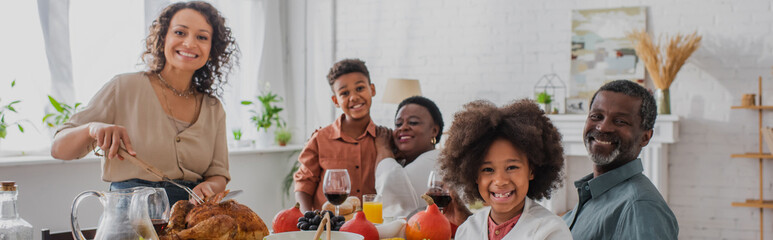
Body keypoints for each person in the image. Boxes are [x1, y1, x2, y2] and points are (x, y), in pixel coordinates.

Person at [50, 1, 238, 205]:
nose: (190, 43)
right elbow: (59, 149)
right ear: (163, 37)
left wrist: (210, 187)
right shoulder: (123, 87)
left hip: (191, 220)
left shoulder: (213, 108)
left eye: (201, 37)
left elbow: (219, 174)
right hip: (128, 219)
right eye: (180, 32)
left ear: (212, 49)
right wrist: (91, 129)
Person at [562, 80, 678, 239]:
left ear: (645, 137)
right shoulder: (594, 194)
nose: (603, 127)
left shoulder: (639, 208)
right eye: (596, 116)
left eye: (620, 121)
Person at [439, 99, 571, 240]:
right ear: (474, 175)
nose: (500, 181)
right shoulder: (467, 229)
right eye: (488, 169)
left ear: (531, 171)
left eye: (512, 167)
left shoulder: (550, 231)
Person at [293, 59, 380, 212]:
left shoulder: (384, 139)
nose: (353, 97)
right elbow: (304, 184)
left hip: (373, 227)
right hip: (329, 228)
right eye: (344, 93)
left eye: (360, 88)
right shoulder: (320, 139)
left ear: (372, 89)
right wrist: (308, 218)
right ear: (335, 100)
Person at [374, 96, 470, 225]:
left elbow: (390, 185)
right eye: (398, 124)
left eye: (413, 122)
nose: (403, 127)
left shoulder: (436, 159)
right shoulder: (403, 162)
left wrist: (383, 148)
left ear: (434, 131)